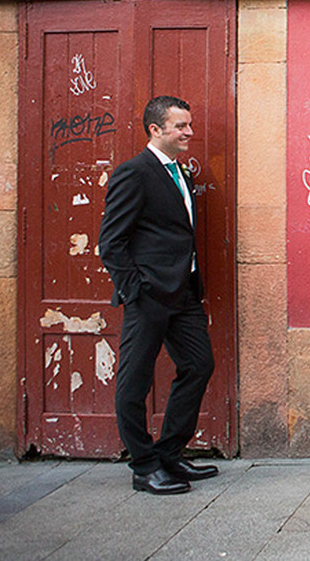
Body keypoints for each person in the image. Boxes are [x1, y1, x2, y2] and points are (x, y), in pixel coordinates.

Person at [98, 95, 218, 495]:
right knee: (134, 381)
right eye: (180, 126)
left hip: (183, 293)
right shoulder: (134, 173)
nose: (189, 132)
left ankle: (168, 453)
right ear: (155, 129)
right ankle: (144, 466)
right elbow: (111, 242)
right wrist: (136, 289)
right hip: (149, 294)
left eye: (189, 124)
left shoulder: (180, 172)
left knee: (199, 364)